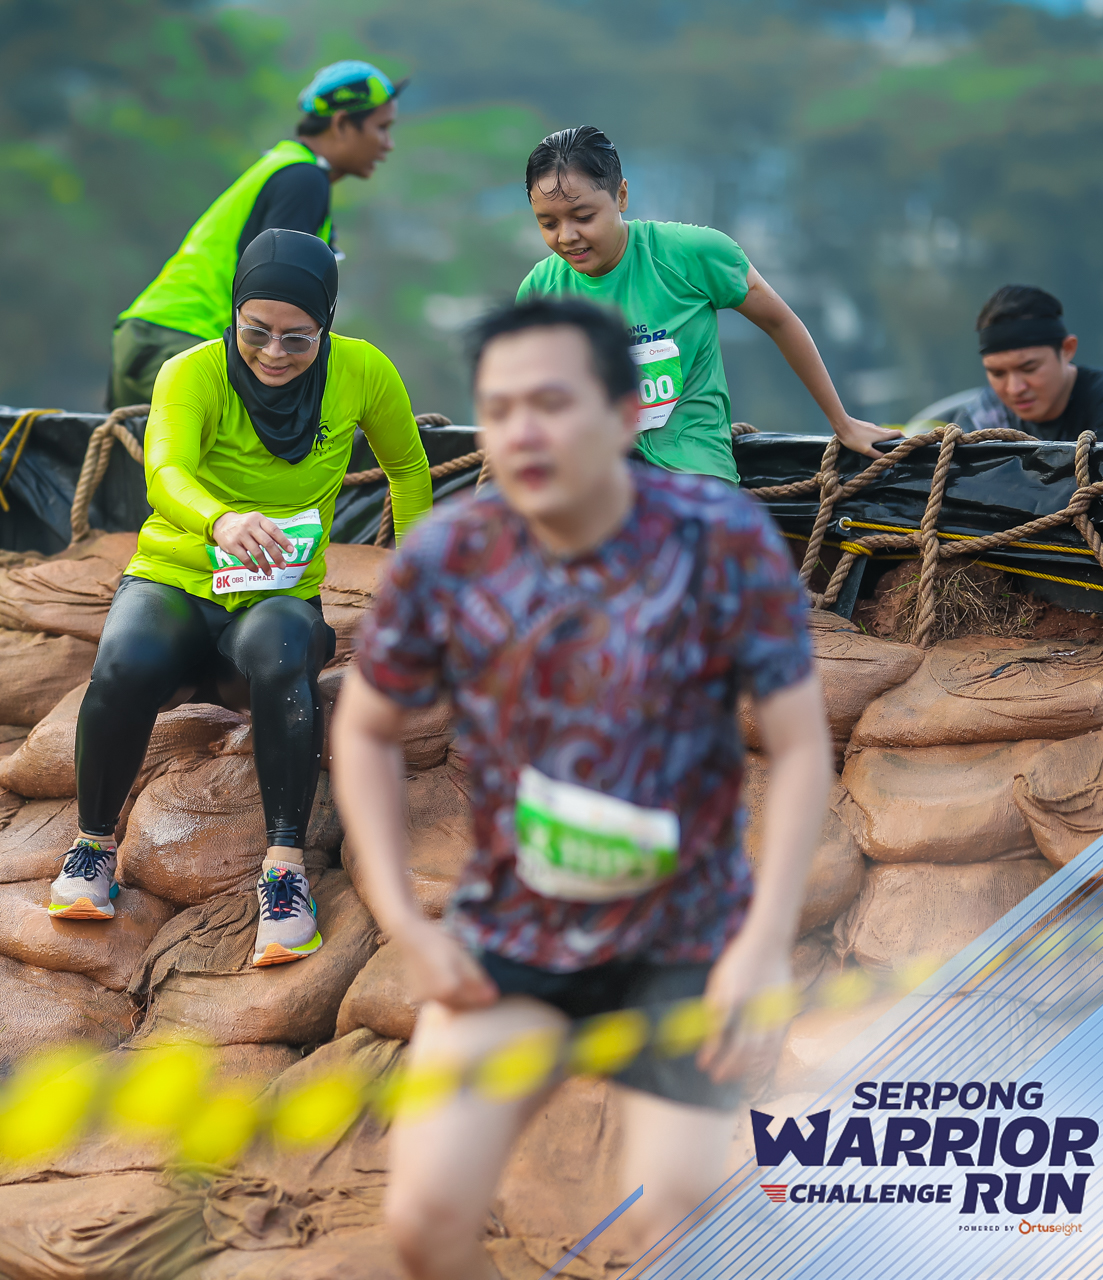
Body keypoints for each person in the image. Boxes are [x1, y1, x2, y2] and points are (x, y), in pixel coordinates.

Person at [329, 297, 833, 1276]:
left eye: (552, 403)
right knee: (425, 1219)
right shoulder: (448, 554)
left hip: (687, 941)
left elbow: (802, 743)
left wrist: (764, 944)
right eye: (499, 408)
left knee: (677, 1220)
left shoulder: (720, 538)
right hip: (512, 934)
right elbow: (363, 726)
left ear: (626, 411)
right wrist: (405, 924)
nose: (522, 431)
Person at [56, 228, 434, 967]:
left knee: (284, 654)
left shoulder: (363, 371)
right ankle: (92, 847)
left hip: (276, 598)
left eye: (298, 338)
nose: (274, 353)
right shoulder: (190, 372)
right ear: (233, 314)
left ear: (327, 325)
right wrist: (220, 521)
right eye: (255, 331)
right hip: (177, 580)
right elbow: (164, 471)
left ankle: (284, 873)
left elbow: (410, 470)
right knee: (122, 664)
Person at [517, 126, 897, 484]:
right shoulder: (541, 290)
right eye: (548, 224)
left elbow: (780, 322)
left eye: (583, 217)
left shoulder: (692, 254)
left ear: (621, 196)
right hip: (592, 475)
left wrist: (842, 423)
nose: (567, 236)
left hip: (693, 472)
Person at [106, 60, 403, 410]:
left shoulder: (282, 166)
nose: (388, 144)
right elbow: (282, 300)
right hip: (188, 342)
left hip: (145, 336)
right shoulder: (304, 180)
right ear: (341, 124)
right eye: (382, 128)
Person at [948, 284, 1103, 442]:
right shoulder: (983, 416)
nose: (1014, 389)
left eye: (1029, 368)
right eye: (998, 373)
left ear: (1067, 349)